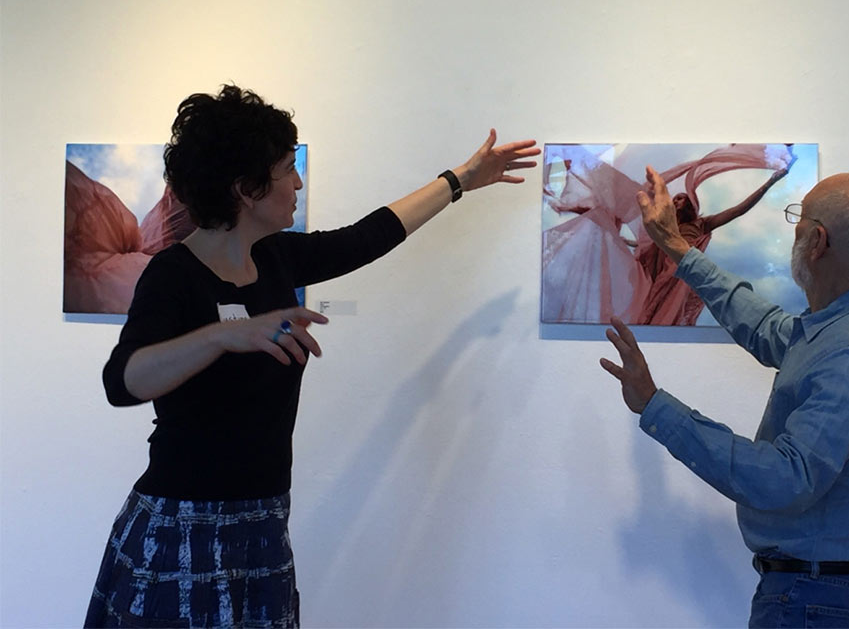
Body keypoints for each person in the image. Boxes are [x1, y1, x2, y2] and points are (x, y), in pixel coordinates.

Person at [85, 85, 540, 628]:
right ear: (246, 189)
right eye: (285, 169)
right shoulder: (173, 275)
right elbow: (123, 380)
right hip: (182, 527)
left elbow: (368, 236)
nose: (298, 182)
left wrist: (459, 181)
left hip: (263, 522)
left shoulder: (276, 258)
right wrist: (221, 336)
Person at [600, 167, 849, 628]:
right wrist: (677, 248)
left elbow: (786, 479)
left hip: (814, 599)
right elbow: (768, 329)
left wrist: (655, 405)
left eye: (798, 220)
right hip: (827, 593)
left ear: (816, 242)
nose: (793, 231)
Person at [633, 161, 792, 325]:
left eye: (681, 199)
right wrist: (631, 243)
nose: (676, 202)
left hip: (687, 267)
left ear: (689, 205)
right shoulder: (669, 228)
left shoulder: (702, 223)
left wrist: (769, 182)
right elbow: (654, 244)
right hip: (667, 268)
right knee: (656, 303)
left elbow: (738, 210)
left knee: (676, 309)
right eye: (675, 199)